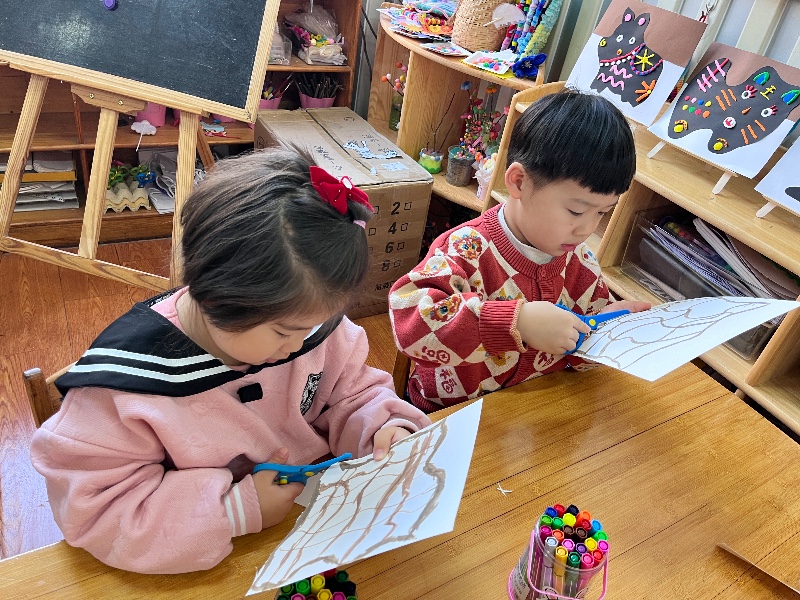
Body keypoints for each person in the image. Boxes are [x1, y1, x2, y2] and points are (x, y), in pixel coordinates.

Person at [30, 149, 431, 574]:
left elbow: (353, 393)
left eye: (316, 323)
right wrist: (234, 510)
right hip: (203, 560)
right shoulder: (124, 386)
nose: (301, 343)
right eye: (285, 332)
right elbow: (97, 513)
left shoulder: (306, 321)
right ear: (213, 297)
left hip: (317, 528)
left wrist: (383, 427)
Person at [389, 90, 650, 412]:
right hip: (450, 413)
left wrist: (607, 328)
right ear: (519, 182)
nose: (586, 229)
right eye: (577, 211)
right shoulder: (465, 249)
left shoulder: (580, 262)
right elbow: (410, 326)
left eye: (602, 213)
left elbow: (579, 353)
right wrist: (518, 322)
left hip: (533, 411)